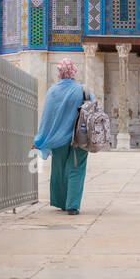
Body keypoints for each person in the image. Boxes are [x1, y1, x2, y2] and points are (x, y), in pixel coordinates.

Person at [32, 58, 89, 215]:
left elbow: (47, 118)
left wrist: (39, 139)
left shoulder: (52, 91)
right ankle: (73, 205)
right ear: (74, 72)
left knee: (60, 169)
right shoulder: (82, 90)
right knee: (76, 169)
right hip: (80, 138)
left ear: (59, 73)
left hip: (59, 139)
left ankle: (62, 202)